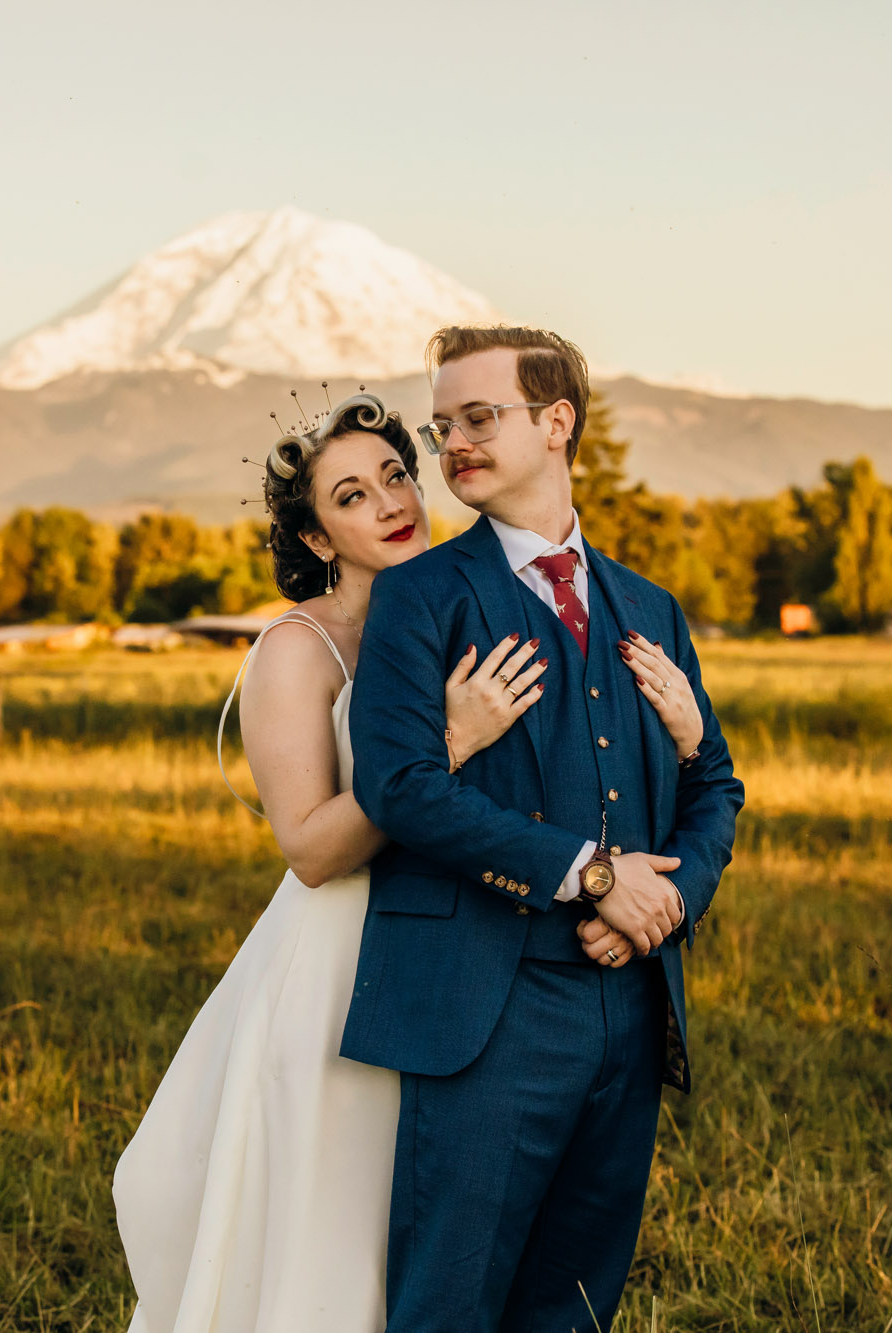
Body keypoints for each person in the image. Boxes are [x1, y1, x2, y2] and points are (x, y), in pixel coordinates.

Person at [112, 389, 711, 1332]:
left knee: (442, 1220)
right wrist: (442, 745)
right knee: (336, 1219)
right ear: (315, 537)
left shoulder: (456, 607)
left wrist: (678, 746)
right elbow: (309, 849)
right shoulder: (296, 651)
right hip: (340, 956)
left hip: (466, 947)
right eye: (351, 496)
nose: (391, 504)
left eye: (396, 475)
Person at [345, 327, 745, 1332]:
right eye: (442, 428)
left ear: (555, 421)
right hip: (488, 1004)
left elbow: (716, 784)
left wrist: (664, 902)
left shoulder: (648, 605)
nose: (453, 445)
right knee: (449, 1299)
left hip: (628, 1004)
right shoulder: (418, 597)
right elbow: (398, 787)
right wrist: (594, 874)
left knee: (575, 1302)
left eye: (478, 418)